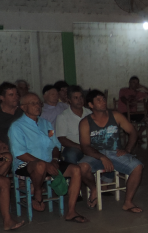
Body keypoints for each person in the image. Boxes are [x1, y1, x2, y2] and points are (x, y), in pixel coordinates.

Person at [8, 93, 90, 223]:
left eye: (38, 103)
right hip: (25, 164)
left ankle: (71, 212)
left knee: (76, 170)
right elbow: (20, 153)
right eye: (33, 103)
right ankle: (38, 192)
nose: (37, 106)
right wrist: (45, 164)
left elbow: (56, 145)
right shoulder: (17, 127)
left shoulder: (46, 124)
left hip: (49, 161)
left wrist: (55, 160)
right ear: (23, 107)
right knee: (40, 166)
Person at [79, 89, 144, 214]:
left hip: (115, 152)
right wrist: (102, 157)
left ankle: (128, 202)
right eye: (98, 100)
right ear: (90, 105)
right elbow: (85, 146)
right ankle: (94, 189)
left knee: (138, 167)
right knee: (82, 168)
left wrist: (127, 149)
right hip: (95, 155)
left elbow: (132, 132)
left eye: (103, 99)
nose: (103, 102)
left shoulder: (115, 115)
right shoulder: (85, 122)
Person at [55, 85, 92, 163]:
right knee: (70, 154)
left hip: (90, 146)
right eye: (76, 98)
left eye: (81, 97)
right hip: (74, 147)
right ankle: (74, 174)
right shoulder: (63, 116)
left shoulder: (90, 113)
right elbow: (62, 139)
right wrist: (79, 146)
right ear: (69, 100)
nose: (80, 100)